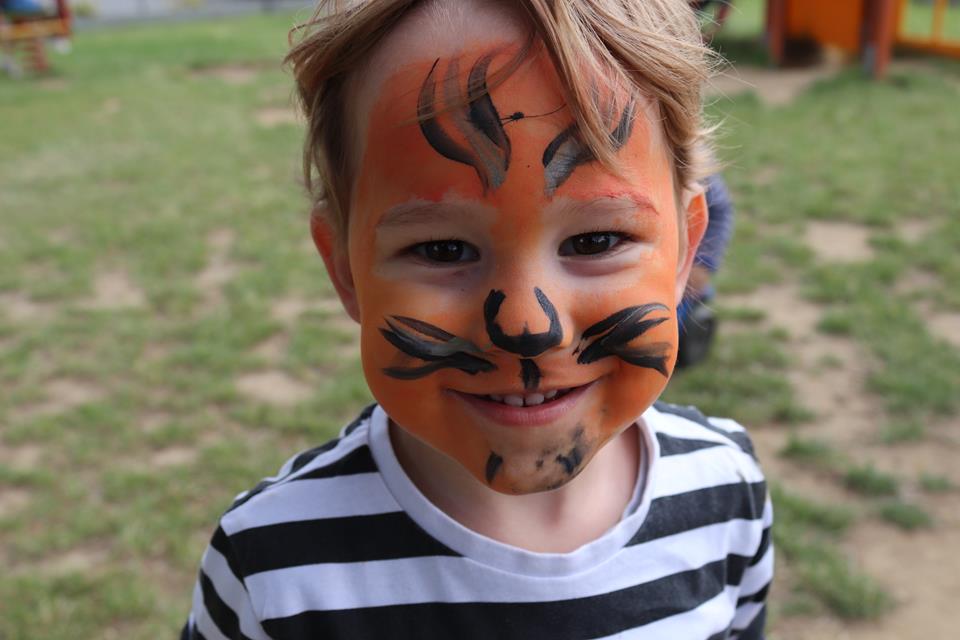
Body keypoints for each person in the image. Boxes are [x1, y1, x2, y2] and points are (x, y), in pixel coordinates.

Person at [182, 1, 772, 638]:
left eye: (596, 241)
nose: (526, 326)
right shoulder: (270, 568)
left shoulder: (728, 492)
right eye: (443, 250)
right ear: (345, 270)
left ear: (686, 250)